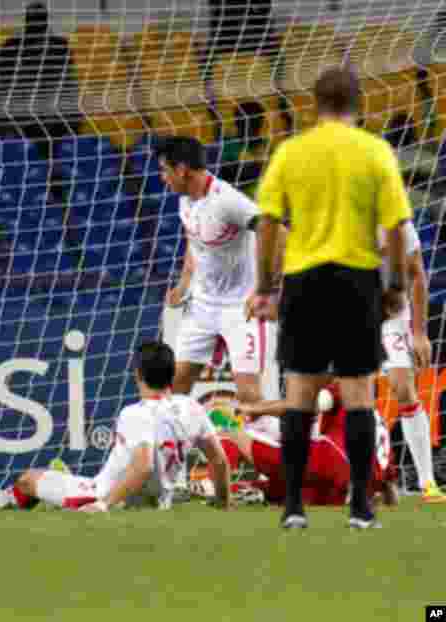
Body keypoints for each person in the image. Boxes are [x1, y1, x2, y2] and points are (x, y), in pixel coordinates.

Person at [248, 66, 413, 530]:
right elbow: (398, 227)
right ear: (358, 105)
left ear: (313, 104)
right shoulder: (375, 151)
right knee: (358, 395)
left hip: (304, 282)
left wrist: (265, 286)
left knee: (300, 395)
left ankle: (294, 508)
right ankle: (361, 507)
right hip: (357, 279)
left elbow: (268, 225)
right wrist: (395, 286)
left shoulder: (292, 151)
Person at [0, 342, 231, 513]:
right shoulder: (191, 406)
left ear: (138, 375)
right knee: (58, 478)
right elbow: (219, 459)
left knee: (27, 479)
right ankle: (63, 480)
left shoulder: (135, 413)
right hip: (163, 498)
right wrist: (222, 501)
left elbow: (143, 467)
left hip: (112, 495)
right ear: (171, 375)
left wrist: (104, 504)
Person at [160, 136, 280, 406]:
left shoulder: (227, 200)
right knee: (173, 392)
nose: (163, 178)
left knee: (250, 399)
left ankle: (289, 437)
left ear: (182, 170)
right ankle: (172, 447)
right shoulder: (186, 201)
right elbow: (195, 242)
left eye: (165, 170)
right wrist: (183, 284)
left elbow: (274, 230)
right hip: (202, 306)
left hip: (240, 308)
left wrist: (266, 288)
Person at [225, 382, 398, 508]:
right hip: (354, 486)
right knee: (299, 492)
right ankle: (256, 492)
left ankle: (219, 485)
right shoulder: (378, 421)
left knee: (238, 436)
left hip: (333, 458)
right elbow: (390, 488)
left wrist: (255, 408)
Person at [379, 220, 445, 502]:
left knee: (403, 388)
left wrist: (419, 333)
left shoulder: (395, 218)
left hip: (393, 314)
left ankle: (427, 482)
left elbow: (417, 274)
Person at [0, 2, 80, 162]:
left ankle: (50, 166)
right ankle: (49, 167)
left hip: (52, 111)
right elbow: (5, 82)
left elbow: (67, 80)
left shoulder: (60, 46)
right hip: (25, 110)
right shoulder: (11, 47)